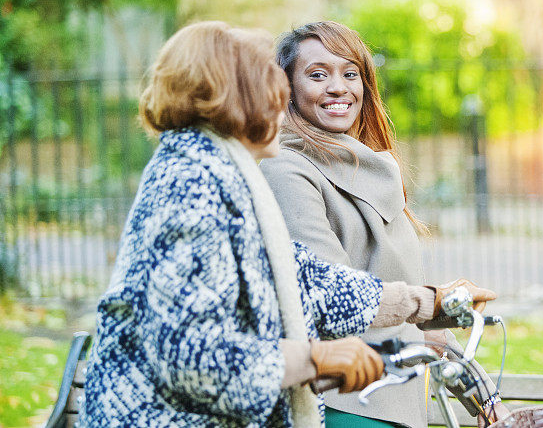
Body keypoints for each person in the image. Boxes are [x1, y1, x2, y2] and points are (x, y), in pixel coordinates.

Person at [77, 21, 496, 428]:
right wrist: (313, 359)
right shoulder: (192, 181)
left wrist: (430, 301)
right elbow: (193, 358)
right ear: (237, 100)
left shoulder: (223, 175)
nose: (285, 108)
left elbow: (310, 282)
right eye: (275, 91)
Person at [260, 21, 508, 428]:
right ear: (287, 90)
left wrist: (486, 397)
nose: (338, 87)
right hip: (345, 402)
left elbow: (405, 316)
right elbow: (333, 297)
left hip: (399, 395)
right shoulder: (287, 171)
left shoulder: (373, 165)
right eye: (318, 74)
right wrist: (433, 303)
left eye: (350, 73)